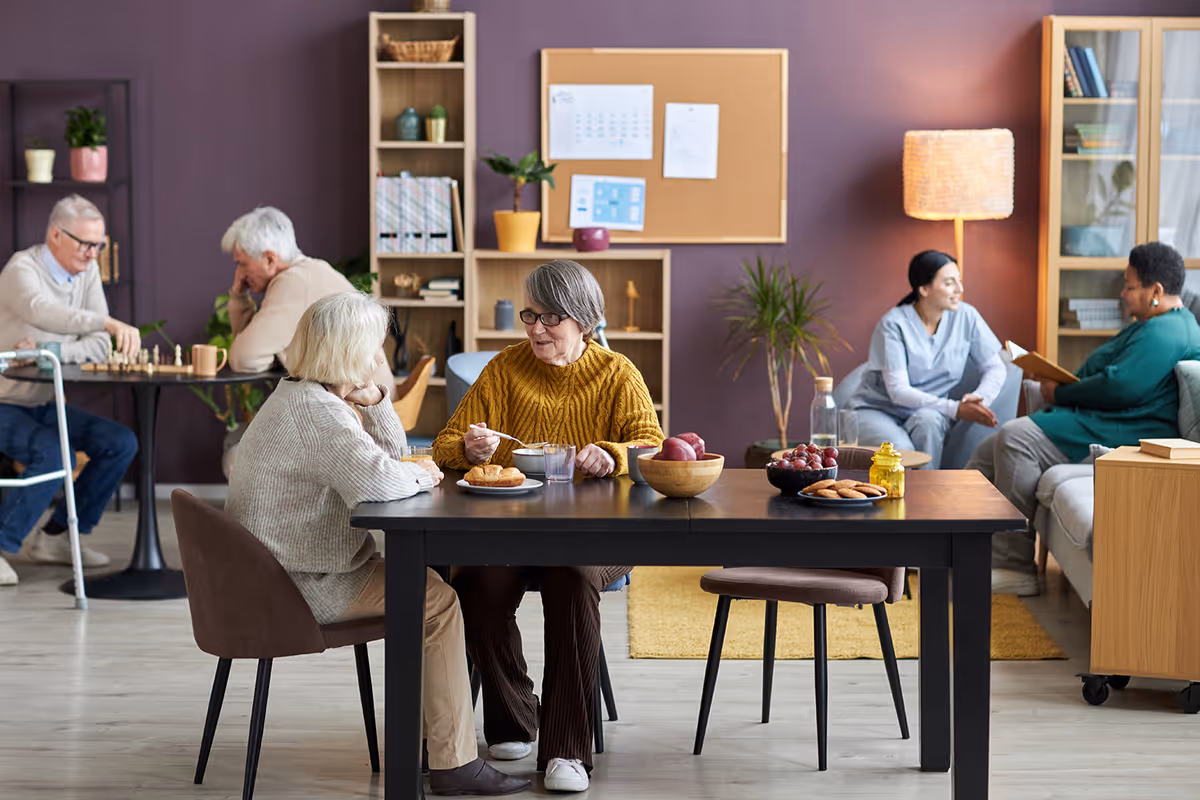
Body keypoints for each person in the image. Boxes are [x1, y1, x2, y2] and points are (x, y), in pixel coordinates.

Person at [225, 292, 528, 796]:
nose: (377, 360)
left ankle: (438, 746)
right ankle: (454, 764)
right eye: (373, 350)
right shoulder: (320, 416)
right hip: (304, 587)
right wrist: (425, 475)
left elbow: (387, 461)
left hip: (279, 575)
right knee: (438, 601)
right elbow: (383, 482)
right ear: (347, 353)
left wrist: (380, 403)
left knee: (431, 590)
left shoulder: (302, 397)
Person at [433, 259, 664, 793]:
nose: (536, 328)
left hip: (599, 535)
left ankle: (567, 750)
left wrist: (612, 454)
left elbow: (650, 445)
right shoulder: (505, 369)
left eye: (551, 317)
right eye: (530, 314)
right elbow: (444, 443)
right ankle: (514, 717)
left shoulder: (616, 373)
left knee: (571, 576)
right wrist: (468, 447)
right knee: (474, 581)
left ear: (583, 321)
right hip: (511, 530)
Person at [969, 242, 1200, 596]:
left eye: (1129, 285)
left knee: (1016, 438)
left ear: (1156, 291)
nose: (1123, 293)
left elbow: (1122, 386)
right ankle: (962, 551)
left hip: (1129, 429)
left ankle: (1013, 566)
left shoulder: (1169, 330)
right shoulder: (1154, 325)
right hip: (1107, 417)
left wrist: (1060, 393)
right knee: (988, 450)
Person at [0, 194, 141, 586]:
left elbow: (98, 345)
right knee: (53, 452)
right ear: (55, 235)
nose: (93, 254)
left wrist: (47, 351)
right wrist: (107, 322)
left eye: (99, 244)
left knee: (120, 442)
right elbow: (40, 310)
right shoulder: (20, 269)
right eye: (86, 244)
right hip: (3, 400)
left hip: (43, 401)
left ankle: (55, 538)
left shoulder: (87, 272)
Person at [848, 250, 1007, 469]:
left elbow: (995, 367)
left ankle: (927, 497)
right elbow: (898, 390)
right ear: (923, 289)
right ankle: (899, 499)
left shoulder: (966, 316)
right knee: (901, 450)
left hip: (927, 410)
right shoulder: (893, 324)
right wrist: (956, 408)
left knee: (930, 422)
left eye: (959, 281)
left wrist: (979, 399)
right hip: (877, 410)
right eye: (950, 283)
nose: (959, 290)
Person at [221, 206, 390, 387]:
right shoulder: (309, 272)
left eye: (242, 264)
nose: (239, 274)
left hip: (360, 410)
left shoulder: (295, 284)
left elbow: (244, 359)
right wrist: (239, 297)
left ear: (270, 259)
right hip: (368, 404)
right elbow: (247, 351)